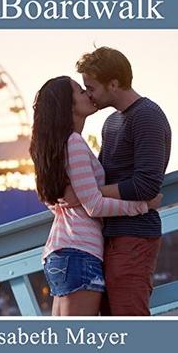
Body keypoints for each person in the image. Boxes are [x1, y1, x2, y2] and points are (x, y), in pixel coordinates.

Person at [29, 76, 161, 316]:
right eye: (81, 92)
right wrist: (143, 206)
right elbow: (94, 206)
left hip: (60, 253)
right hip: (80, 252)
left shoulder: (56, 147)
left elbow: (55, 199)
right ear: (67, 106)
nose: (88, 95)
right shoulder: (74, 142)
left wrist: (82, 194)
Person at [71, 46, 171, 315]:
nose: (88, 93)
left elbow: (147, 185)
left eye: (90, 87)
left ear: (113, 83)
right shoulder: (111, 122)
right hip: (109, 234)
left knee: (129, 319)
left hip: (134, 235)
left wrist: (88, 193)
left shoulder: (147, 116)